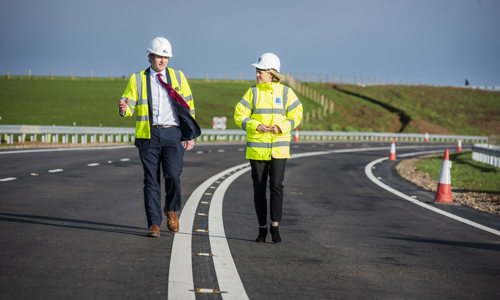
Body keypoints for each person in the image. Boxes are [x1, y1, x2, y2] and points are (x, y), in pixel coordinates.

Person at [118, 37, 197, 237]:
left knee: (173, 175)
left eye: (166, 57)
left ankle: (171, 210)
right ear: (150, 57)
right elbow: (130, 104)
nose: (162, 60)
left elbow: (189, 107)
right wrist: (124, 110)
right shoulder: (137, 79)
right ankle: (153, 223)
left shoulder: (178, 77)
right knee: (151, 180)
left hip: (173, 133)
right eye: (159, 56)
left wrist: (190, 135)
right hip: (148, 135)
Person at [234, 53, 303, 243]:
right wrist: (256, 126)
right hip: (257, 150)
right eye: (257, 71)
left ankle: (275, 226)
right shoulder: (252, 92)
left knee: (276, 187)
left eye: (261, 71)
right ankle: (261, 228)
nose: (257, 74)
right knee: (259, 190)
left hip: (279, 149)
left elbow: (297, 114)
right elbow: (239, 115)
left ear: (272, 73)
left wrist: (282, 127)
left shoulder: (286, 93)